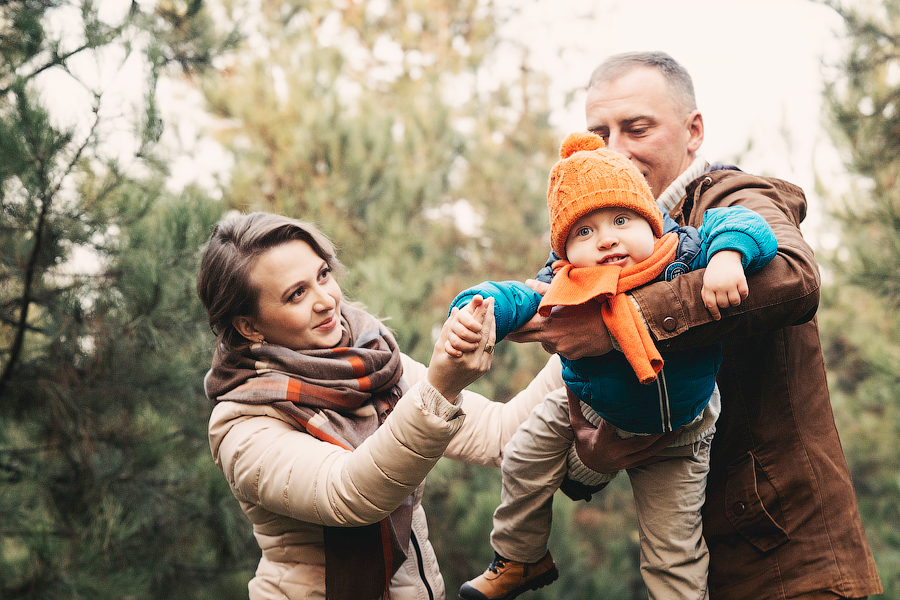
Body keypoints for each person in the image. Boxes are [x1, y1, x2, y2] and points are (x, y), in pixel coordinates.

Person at [504, 52, 883, 599]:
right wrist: (594, 459)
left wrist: (618, 325)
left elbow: (794, 278)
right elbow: (579, 425)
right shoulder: (598, 252)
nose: (616, 150)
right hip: (689, 568)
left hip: (787, 560)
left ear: (693, 130)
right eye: (599, 133)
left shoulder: (734, 197)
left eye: (637, 128)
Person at [453, 131, 778, 600]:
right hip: (591, 407)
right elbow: (510, 295)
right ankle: (521, 557)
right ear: (564, 250)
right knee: (522, 457)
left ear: (651, 221)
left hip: (680, 431)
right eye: (584, 232)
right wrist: (473, 311)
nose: (606, 240)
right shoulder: (564, 285)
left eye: (622, 219)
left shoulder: (682, 256)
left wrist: (728, 256)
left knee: (672, 551)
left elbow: (744, 222)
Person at [196, 212, 569, 600]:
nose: (326, 301)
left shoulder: (374, 362)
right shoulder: (242, 423)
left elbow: (500, 434)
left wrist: (579, 348)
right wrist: (440, 389)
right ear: (249, 327)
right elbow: (352, 495)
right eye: (297, 294)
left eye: (323, 275)